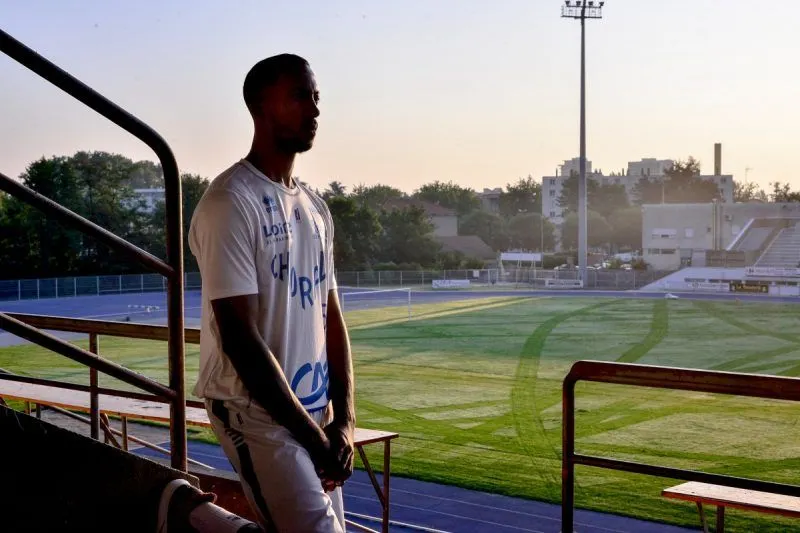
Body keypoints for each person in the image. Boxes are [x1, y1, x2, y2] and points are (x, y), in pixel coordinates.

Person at [188, 54, 355, 533]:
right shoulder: (230, 202)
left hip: (315, 412)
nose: (315, 109)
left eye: (317, 97)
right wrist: (314, 439)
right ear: (260, 107)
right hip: (254, 412)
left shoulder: (316, 209)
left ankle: (189, 516)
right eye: (300, 96)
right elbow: (239, 338)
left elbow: (331, 319)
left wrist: (343, 422)